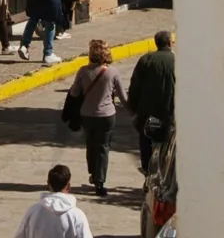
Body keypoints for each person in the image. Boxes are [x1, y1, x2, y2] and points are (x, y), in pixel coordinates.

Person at [70, 37, 126, 196]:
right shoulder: (113, 72)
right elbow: (123, 97)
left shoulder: (83, 71)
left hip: (87, 114)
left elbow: (74, 92)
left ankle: (93, 173)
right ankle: (100, 181)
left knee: (91, 144)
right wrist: (133, 112)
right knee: (103, 147)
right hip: (107, 115)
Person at [127, 29, 176, 183]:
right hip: (169, 114)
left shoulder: (145, 60)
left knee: (146, 144)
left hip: (146, 114)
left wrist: (133, 109)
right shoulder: (176, 61)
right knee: (168, 147)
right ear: (170, 43)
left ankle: (148, 175)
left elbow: (134, 87)